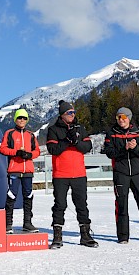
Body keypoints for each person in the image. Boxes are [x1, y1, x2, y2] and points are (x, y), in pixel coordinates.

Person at [103, 107, 139, 244]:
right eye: (118, 117)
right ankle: (123, 236)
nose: (121, 120)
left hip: (137, 173)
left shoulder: (138, 131)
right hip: (121, 173)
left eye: (123, 117)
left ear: (129, 118)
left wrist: (135, 147)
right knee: (122, 204)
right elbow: (109, 152)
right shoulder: (111, 133)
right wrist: (124, 149)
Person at [46, 100, 98, 249]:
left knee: (82, 204)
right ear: (62, 114)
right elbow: (53, 149)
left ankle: (85, 236)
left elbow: (87, 146)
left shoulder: (80, 128)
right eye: (69, 112)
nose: (72, 114)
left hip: (79, 173)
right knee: (60, 204)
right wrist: (66, 141)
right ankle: (57, 237)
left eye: (73, 112)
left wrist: (75, 141)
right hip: (61, 174)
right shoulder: (53, 129)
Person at [0, 109, 40, 234]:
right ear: (15, 119)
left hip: (28, 170)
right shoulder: (10, 133)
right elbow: (3, 149)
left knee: (28, 195)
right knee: (11, 195)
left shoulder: (31, 135)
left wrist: (29, 155)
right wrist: (15, 152)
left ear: (27, 120)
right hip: (14, 170)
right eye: (19, 118)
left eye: (24, 118)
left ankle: (27, 223)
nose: (22, 120)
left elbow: (37, 151)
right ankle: (8, 224)